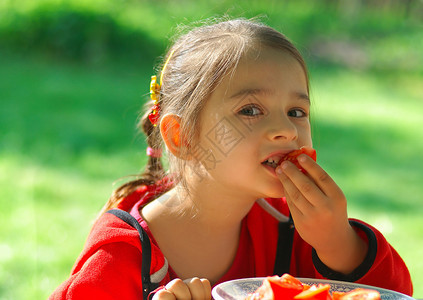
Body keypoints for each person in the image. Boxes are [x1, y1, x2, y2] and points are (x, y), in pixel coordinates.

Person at [50, 18, 413, 299]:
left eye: (297, 111)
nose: (286, 130)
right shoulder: (122, 257)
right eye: (251, 110)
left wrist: (339, 243)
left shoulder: (293, 230)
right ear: (183, 136)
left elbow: (396, 292)